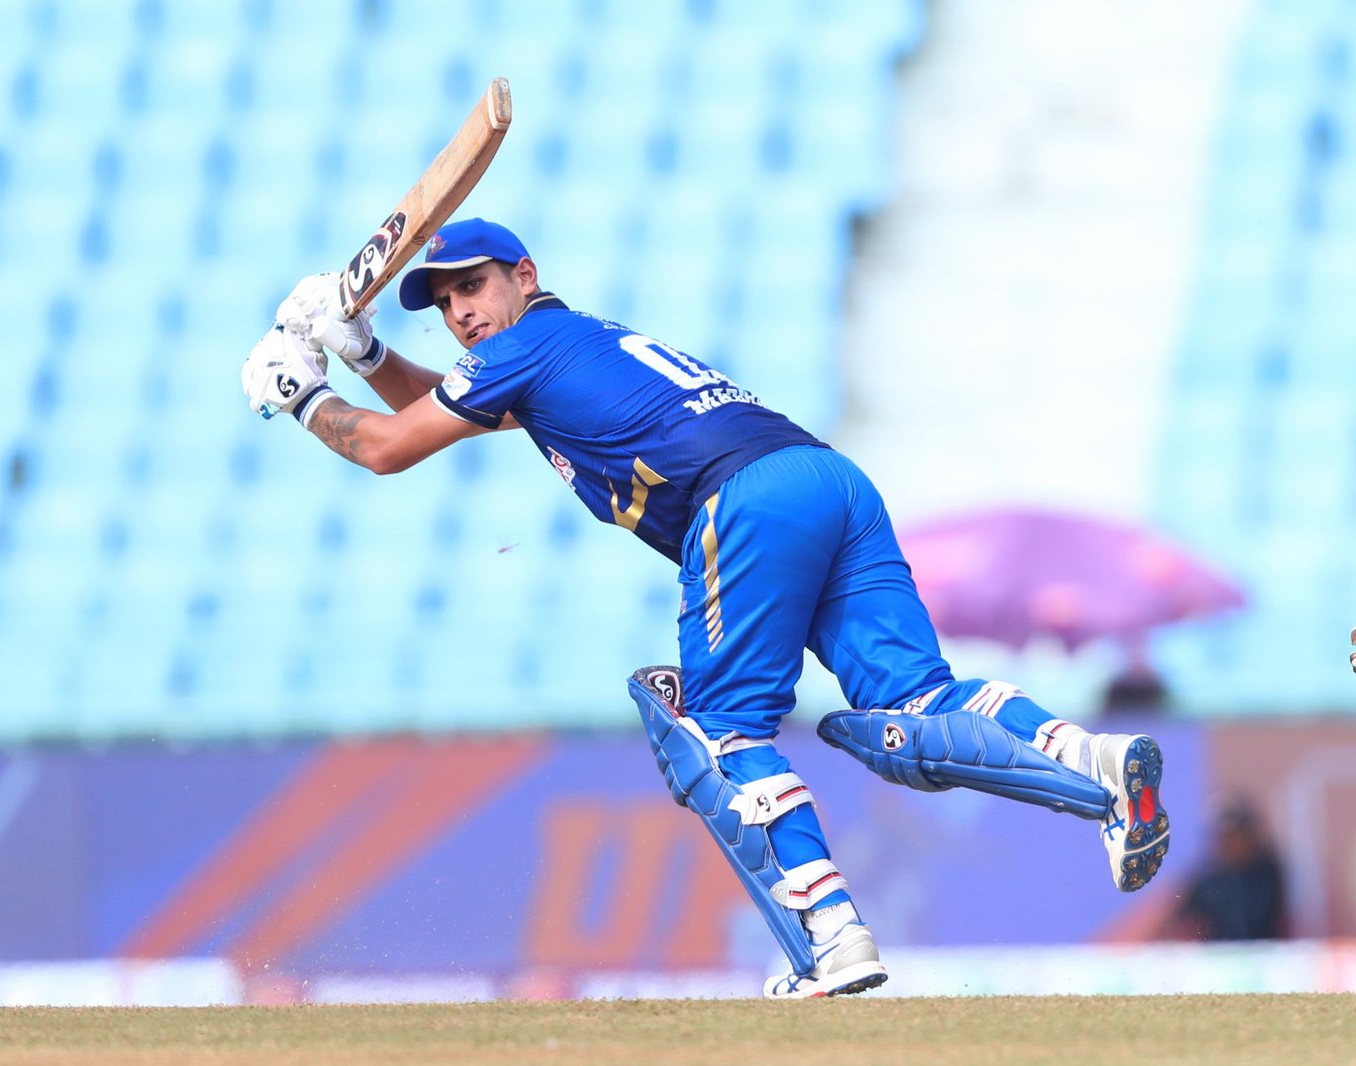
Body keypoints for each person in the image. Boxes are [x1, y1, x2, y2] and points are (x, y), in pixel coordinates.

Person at [239, 218, 1173, 999]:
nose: (459, 313)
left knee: (714, 734)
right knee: (916, 706)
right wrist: (360, 349)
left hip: (745, 502)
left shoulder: (522, 347)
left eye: (472, 287)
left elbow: (388, 449)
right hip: (828, 482)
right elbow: (447, 408)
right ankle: (1099, 770)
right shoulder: (558, 347)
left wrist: (305, 393)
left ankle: (833, 941)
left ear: (525, 276)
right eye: (443, 304)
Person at [1163, 797, 1287, 941]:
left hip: (1265, 955)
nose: (1232, 843)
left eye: (1237, 835)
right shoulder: (1207, 879)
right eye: (1225, 836)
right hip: (1221, 958)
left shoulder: (1270, 872)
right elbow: (1181, 921)